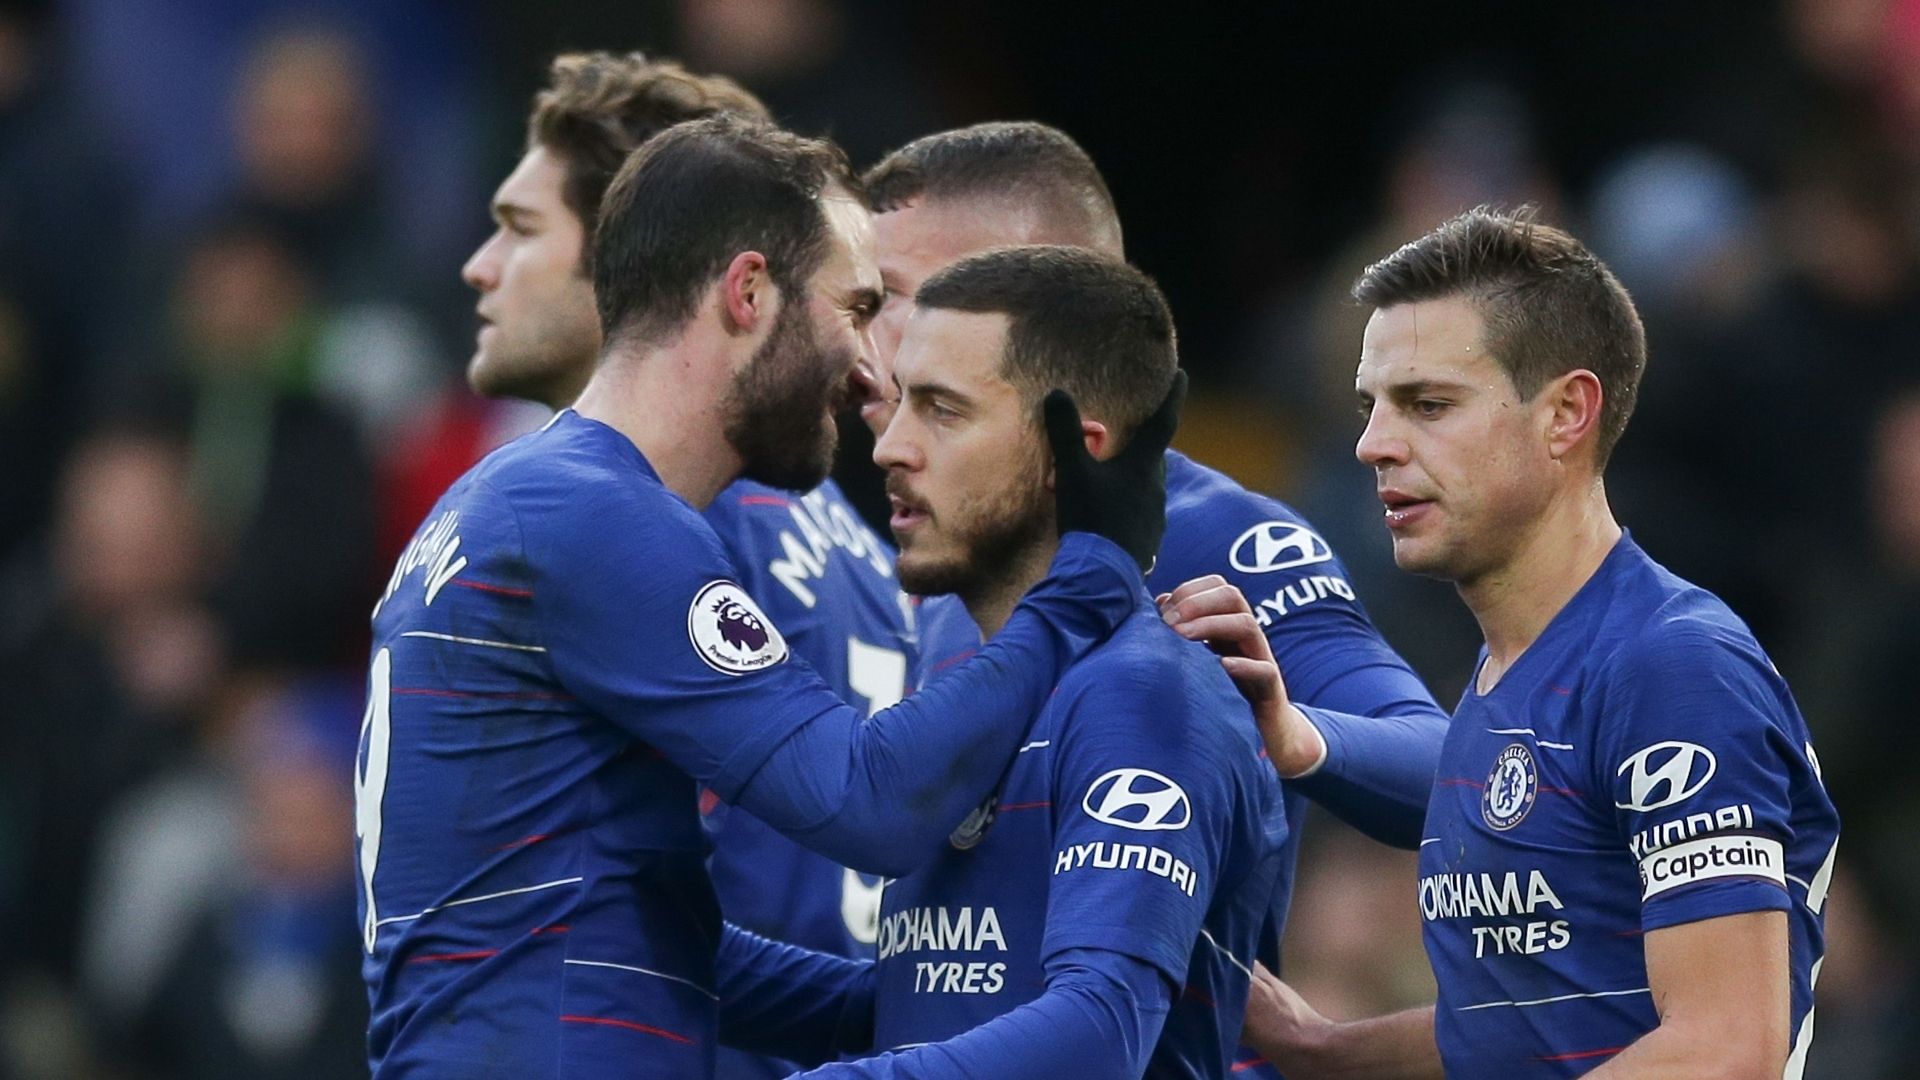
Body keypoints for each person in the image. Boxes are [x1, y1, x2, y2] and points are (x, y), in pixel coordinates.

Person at [355, 114, 1179, 1077]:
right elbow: (867, 803)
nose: (871, 367)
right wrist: (1087, 574)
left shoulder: (517, 502)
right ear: (749, 293)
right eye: (856, 308)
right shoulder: (592, 518)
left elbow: (664, 949)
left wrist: (949, 1000)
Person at [856, 122, 1448, 1073]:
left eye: (888, 297)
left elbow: (1446, 771)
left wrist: (1297, 735)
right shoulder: (951, 561)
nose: (859, 340)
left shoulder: (1216, 536)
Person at [1200, 207, 1839, 1077]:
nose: (1373, 445)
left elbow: (1726, 1047)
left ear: (1567, 414)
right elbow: (1530, 1022)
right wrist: (1322, 1048)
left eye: (1428, 405)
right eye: (1371, 407)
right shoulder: (1507, 673)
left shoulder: (1672, 666)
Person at [457, 54, 911, 1078]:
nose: (481, 264)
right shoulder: (827, 531)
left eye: (522, 229)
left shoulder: (659, 533)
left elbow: (672, 933)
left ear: (628, 250)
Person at [734, 244, 1287, 1079]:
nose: (889, 448)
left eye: (942, 410)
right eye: (901, 402)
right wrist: (642, 932)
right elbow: (918, 1004)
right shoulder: (980, 680)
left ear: (1076, 453)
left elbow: (1096, 1035)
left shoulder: (1143, 693)